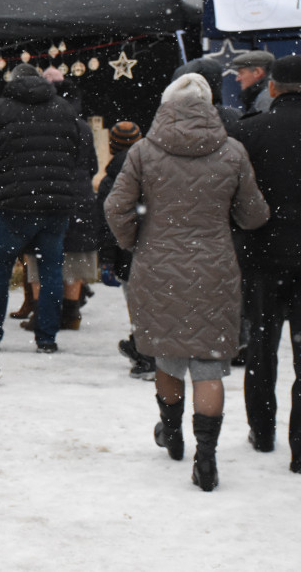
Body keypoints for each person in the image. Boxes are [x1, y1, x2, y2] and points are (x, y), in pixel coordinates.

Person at [105, 73, 269, 491]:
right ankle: (207, 458)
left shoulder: (143, 152)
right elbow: (254, 215)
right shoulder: (232, 151)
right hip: (214, 268)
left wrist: (134, 243)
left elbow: (115, 206)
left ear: (166, 107)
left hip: (158, 265)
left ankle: (172, 433)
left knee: (168, 354)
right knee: (209, 362)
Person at [228, 54, 301, 472]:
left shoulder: (249, 133)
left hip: (261, 253)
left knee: (262, 345)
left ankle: (263, 429)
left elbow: (233, 198)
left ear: (272, 87)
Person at [0, 63, 81, 358]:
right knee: (50, 270)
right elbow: (76, 151)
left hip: (13, 202)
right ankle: (47, 337)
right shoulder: (63, 108)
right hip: (55, 204)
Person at [20, 67, 98, 332]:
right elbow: (92, 167)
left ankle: (43, 314)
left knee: (40, 257)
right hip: (78, 196)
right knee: (73, 257)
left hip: (45, 195)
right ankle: (70, 313)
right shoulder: (83, 127)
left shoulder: (37, 124)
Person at [95, 121, 154, 380]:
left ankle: (145, 353)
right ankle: (145, 347)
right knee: (152, 304)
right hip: (154, 247)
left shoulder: (112, 178)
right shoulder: (154, 169)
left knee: (136, 304)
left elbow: (107, 221)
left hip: (126, 250)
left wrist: (106, 258)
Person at [232, 50, 274, 116]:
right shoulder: (269, 94)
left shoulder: (265, 100)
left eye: (241, 73)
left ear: (257, 72)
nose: (237, 79)